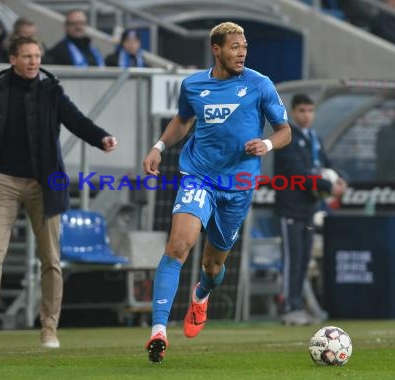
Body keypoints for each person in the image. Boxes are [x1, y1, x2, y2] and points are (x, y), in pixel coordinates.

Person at [142, 21, 291, 363]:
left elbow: (285, 131)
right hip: (199, 177)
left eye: (245, 47)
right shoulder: (193, 85)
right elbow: (182, 120)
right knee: (178, 245)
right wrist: (159, 147)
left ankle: (202, 294)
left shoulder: (259, 84)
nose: (242, 52)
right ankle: (159, 331)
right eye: (235, 47)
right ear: (217, 49)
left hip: (238, 186)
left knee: (212, 266)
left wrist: (266, 143)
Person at [0, 36, 117, 349]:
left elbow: (75, 120)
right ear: (13, 59)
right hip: (2, 182)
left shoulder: (51, 90)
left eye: (37, 56)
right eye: (27, 56)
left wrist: (101, 138)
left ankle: (49, 328)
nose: (33, 62)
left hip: (44, 184)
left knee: (51, 259)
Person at [273, 94, 347, 326]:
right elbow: (298, 174)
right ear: (293, 112)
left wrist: (340, 180)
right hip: (290, 209)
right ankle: (288, 308)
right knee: (292, 259)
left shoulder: (313, 138)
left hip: (309, 209)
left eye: (310, 110)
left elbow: (326, 164)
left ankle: (298, 305)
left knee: (304, 260)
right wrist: (329, 186)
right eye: (302, 110)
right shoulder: (287, 138)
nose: (306, 115)